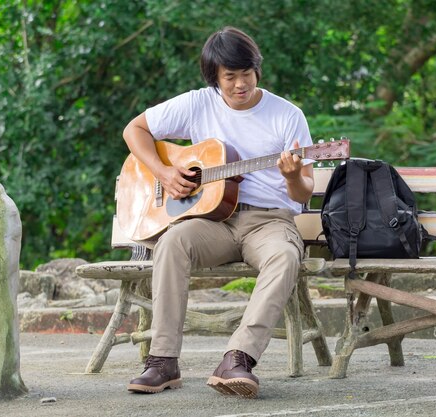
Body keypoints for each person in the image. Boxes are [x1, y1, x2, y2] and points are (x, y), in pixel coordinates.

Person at [122, 26, 314, 399]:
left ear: (257, 70)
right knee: (173, 241)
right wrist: (164, 172)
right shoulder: (197, 103)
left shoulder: (287, 115)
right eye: (230, 77)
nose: (240, 84)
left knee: (286, 256)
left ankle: (238, 358)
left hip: (269, 220)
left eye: (247, 74)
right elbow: (135, 130)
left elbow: (303, 189)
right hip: (213, 220)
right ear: (215, 79)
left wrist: (293, 177)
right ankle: (162, 362)